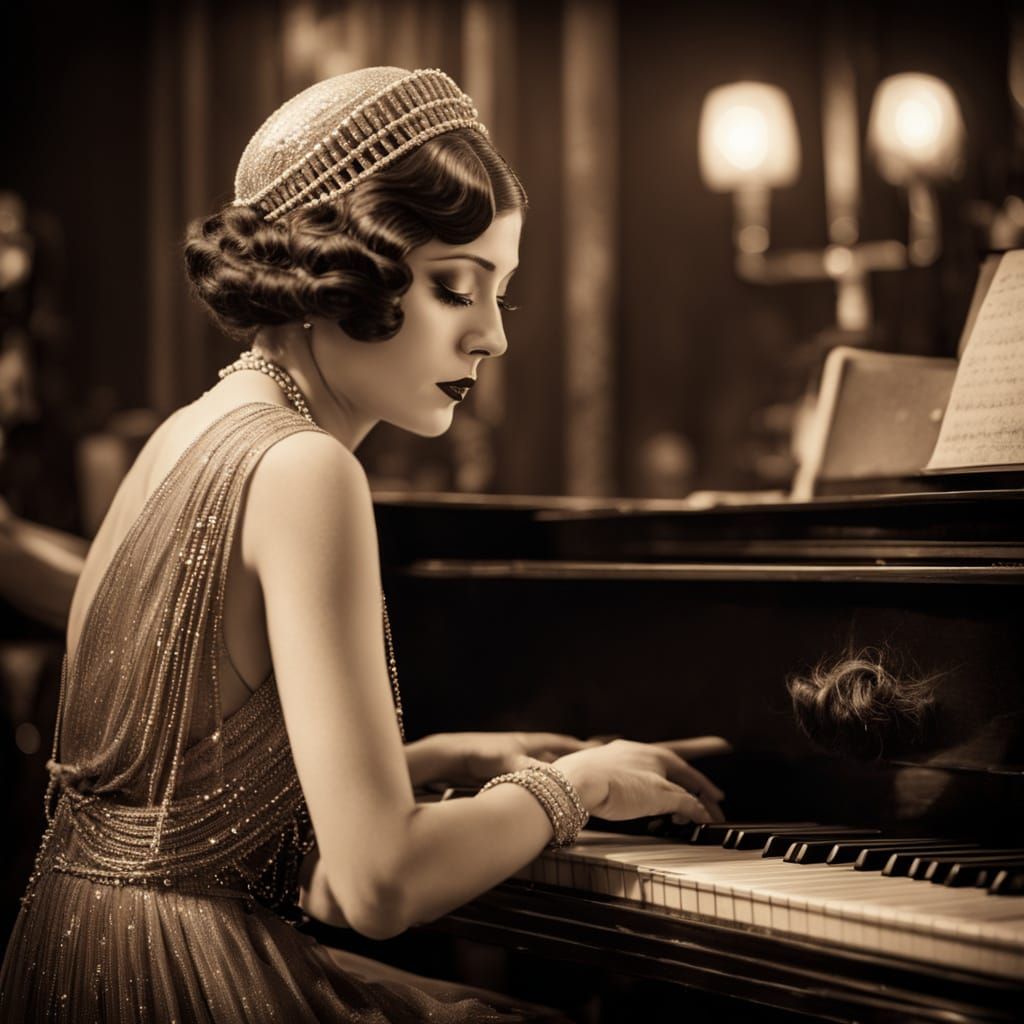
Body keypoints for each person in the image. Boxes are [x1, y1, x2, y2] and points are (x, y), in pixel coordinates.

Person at [0, 67, 724, 1022]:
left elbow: (176, 800)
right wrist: (575, 784)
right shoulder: (305, 468)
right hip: (181, 977)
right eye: (455, 288)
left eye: (501, 294)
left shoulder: (182, 435)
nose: (493, 338)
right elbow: (378, 884)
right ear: (338, 273)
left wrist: (428, 761)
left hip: (74, 956)